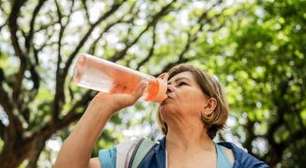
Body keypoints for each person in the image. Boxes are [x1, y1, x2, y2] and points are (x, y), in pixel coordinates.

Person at [54, 64, 269, 168]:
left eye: (181, 83)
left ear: (209, 106)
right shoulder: (134, 156)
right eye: (167, 83)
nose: (167, 88)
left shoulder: (239, 163)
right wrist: (102, 105)